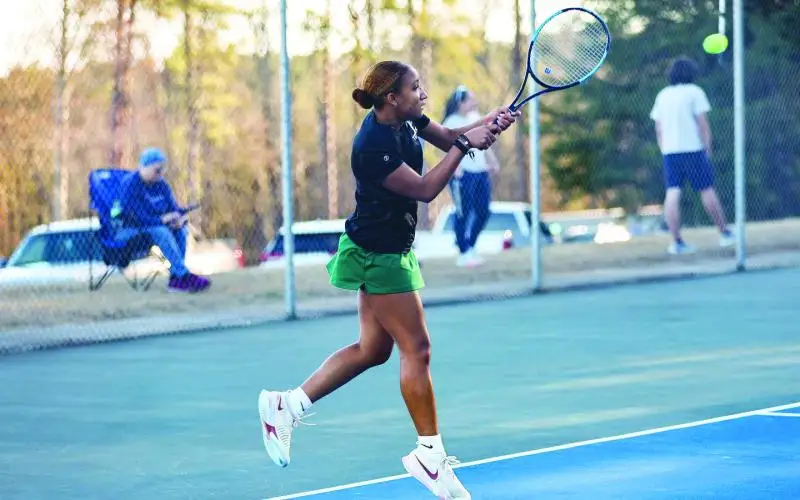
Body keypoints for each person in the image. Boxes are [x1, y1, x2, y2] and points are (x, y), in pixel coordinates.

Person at [258, 61, 518, 499]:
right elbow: (424, 188)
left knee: (373, 350)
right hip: (379, 256)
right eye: (416, 88)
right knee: (417, 349)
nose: (424, 94)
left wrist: (490, 121)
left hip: (387, 248)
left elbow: (447, 137)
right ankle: (429, 456)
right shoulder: (371, 145)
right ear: (391, 98)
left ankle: (286, 405)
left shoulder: (405, 118)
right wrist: (463, 146)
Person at [650, 56, 734, 255]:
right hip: (693, 149)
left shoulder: (663, 95)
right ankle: (725, 233)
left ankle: (676, 242)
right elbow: (702, 123)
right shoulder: (695, 92)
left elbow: (658, 127)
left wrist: (664, 147)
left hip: (671, 152)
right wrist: (707, 146)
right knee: (706, 189)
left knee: (672, 192)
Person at [118, 147, 211, 293]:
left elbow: (172, 208)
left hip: (154, 226)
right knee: (161, 231)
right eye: (157, 170)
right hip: (131, 230)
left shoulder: (161, 185)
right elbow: (136, 217)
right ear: (144, 167)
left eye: (162, 170)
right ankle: (183, 275)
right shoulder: (130, 185)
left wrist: (178, 218)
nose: (160, 174)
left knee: (181, 230)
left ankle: (176, 279)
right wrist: (163, 220)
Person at [442, 85, 501, 267]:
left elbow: (485, 143)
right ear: (461, 102)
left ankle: (471, 246)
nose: (475, 102)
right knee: (463, 213)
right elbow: (445, 146)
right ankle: (463, 252)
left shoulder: (477, 118)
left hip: (480, 173)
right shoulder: (451, 122)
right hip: (462, 176)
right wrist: (456, 168)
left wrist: (493, 161)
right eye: (470, 99)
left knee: (483, 211)